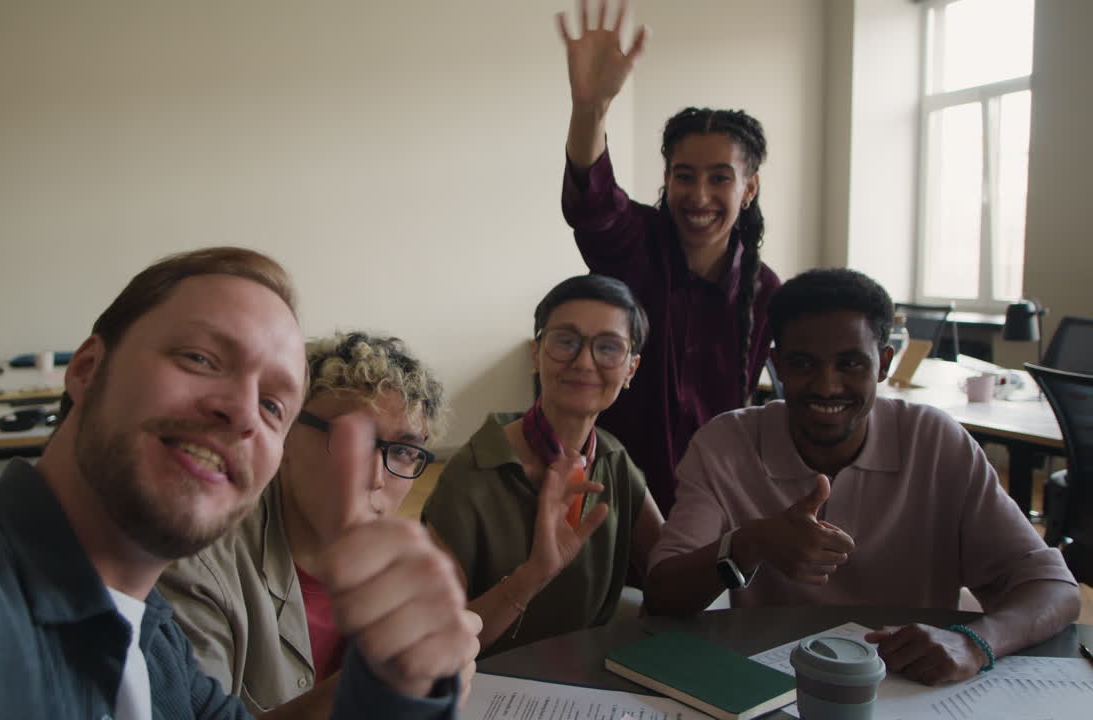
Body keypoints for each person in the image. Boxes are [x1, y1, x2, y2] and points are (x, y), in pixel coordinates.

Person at [0, 247, 478, 719]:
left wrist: (396, 684)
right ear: (87, 369)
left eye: (274, 404)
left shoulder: (153, 641)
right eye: (200, 358)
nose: (243, 411)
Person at [644, 267, 1080, 686]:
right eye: (802, 363)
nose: (827, 386)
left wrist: (976, 643)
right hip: (775, 688)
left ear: (885, 363)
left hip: (914, 686)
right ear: (776, 366)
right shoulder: (725, 444)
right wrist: (749, 543)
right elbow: (662, 597)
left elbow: (1054, 589)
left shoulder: (934, 442)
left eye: (850, 363)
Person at [557, 0, 781, 512]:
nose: (699, 195)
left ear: (749, 189)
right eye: (684, 175)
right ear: (667, 178)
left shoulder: (764, 289)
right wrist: (590, 107)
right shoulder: (636, 242)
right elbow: (591, 202)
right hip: (608, 489)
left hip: (708, 497)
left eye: (720, 177)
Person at [159, 331, 448, 717]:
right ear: (285, 434)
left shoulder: (406, 567)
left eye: (402, 451)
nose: (376, 478)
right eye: (351, 440)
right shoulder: (197, 564)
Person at [423, 274, 665, 656]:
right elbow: (433, 645)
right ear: (535, 354)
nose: (584, 362)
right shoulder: (473, 473)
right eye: (565, 342)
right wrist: (533, 575)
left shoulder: (614, 460)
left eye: (608, 347)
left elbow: (668, 575)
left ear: (631, 369)